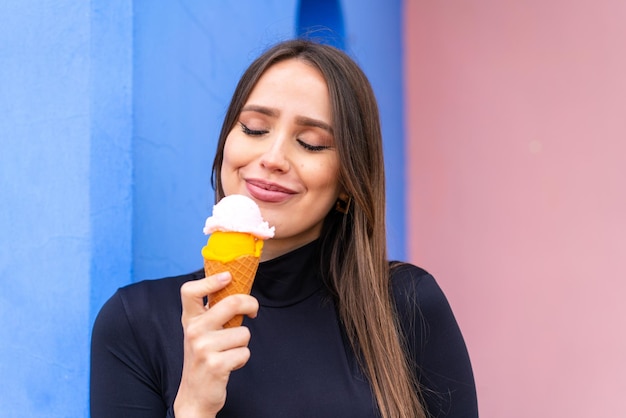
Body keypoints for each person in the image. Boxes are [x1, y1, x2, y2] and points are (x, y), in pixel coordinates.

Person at [90, 39, 478, 418]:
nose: (273, 158)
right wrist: (193, 406)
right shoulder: (135, 323)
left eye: (311, 143)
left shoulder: (406, 304)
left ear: (348, 182)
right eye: (255, 129)